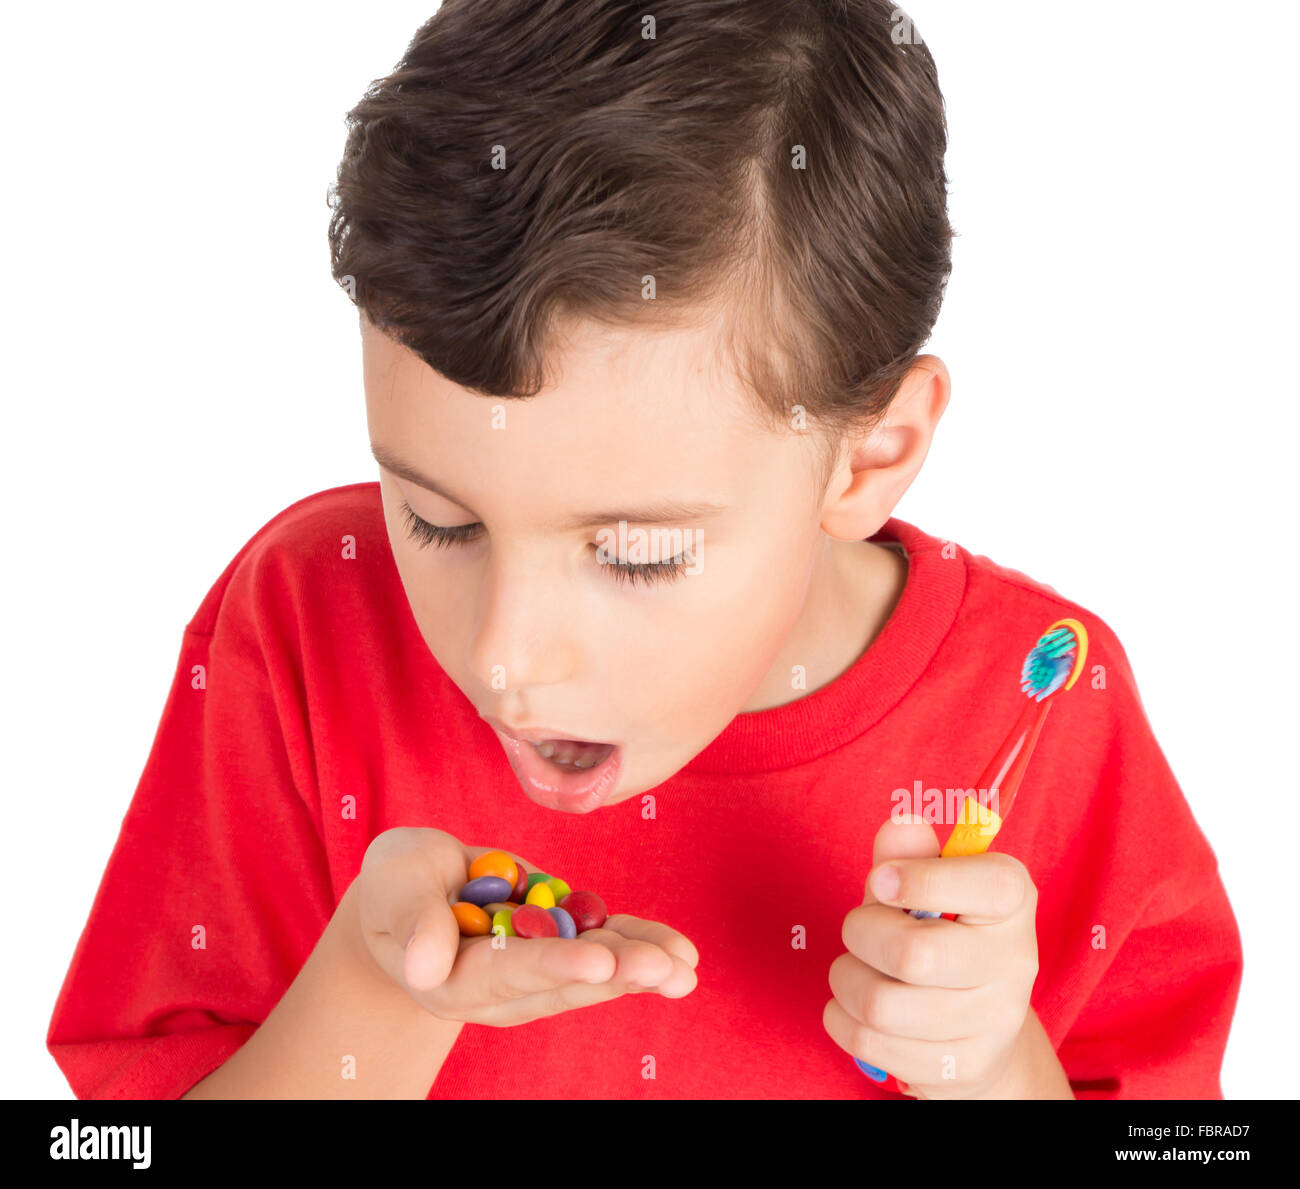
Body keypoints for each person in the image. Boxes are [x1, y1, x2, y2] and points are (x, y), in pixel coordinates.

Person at [47, 0, 1241, 1099]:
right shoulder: (307, 622)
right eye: (437, 519)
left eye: (633, 552)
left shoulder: (1044, 700)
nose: (505, 657)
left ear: (868, 456)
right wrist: (378, 996)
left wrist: (992, 1068)